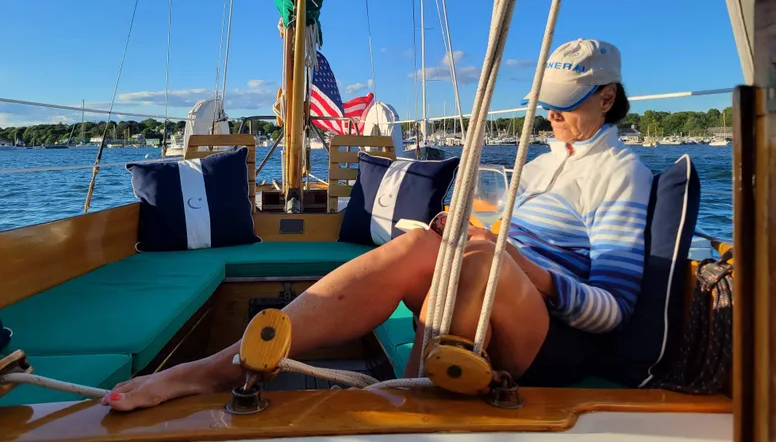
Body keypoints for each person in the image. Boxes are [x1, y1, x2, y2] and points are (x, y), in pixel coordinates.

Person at [102, 39, 652, 411]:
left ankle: (411, 403)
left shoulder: (621, 173)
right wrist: (465, 230)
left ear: (607, 97)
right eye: (548, 105)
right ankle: (221, 367)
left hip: (553, 335)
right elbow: (496, 236)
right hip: (493, 290)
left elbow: (613, 312)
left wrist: (514, 260)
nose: (551, 116)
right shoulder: (541, 163)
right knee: (419, 243)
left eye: (565, 105)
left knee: (480, 259)